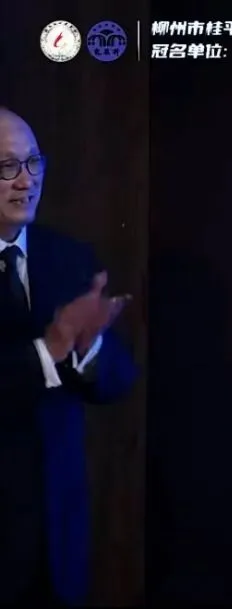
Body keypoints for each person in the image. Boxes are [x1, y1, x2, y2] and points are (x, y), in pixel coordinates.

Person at [0, 107, 137, 605]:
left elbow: (118, 378)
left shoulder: (69, 257)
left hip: (56, 541)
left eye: (34, 162)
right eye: (7, 166)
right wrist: (48, 351)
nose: (27, 180)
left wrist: (88, 346)